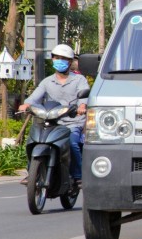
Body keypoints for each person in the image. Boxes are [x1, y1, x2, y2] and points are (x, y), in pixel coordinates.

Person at [19, 44, 89, 187]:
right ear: (52, 59)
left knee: (72, 143)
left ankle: (77, 176)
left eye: (64, 58)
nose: (60, 61)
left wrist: (82, 106)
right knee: (33, 141)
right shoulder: (47, 81)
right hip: (52, 121)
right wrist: (26, 105)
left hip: (73, 122)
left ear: (70, 62)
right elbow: (34, 98)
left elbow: (84, 97)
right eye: (57, 58)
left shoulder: (79, 80)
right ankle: (31, 172)